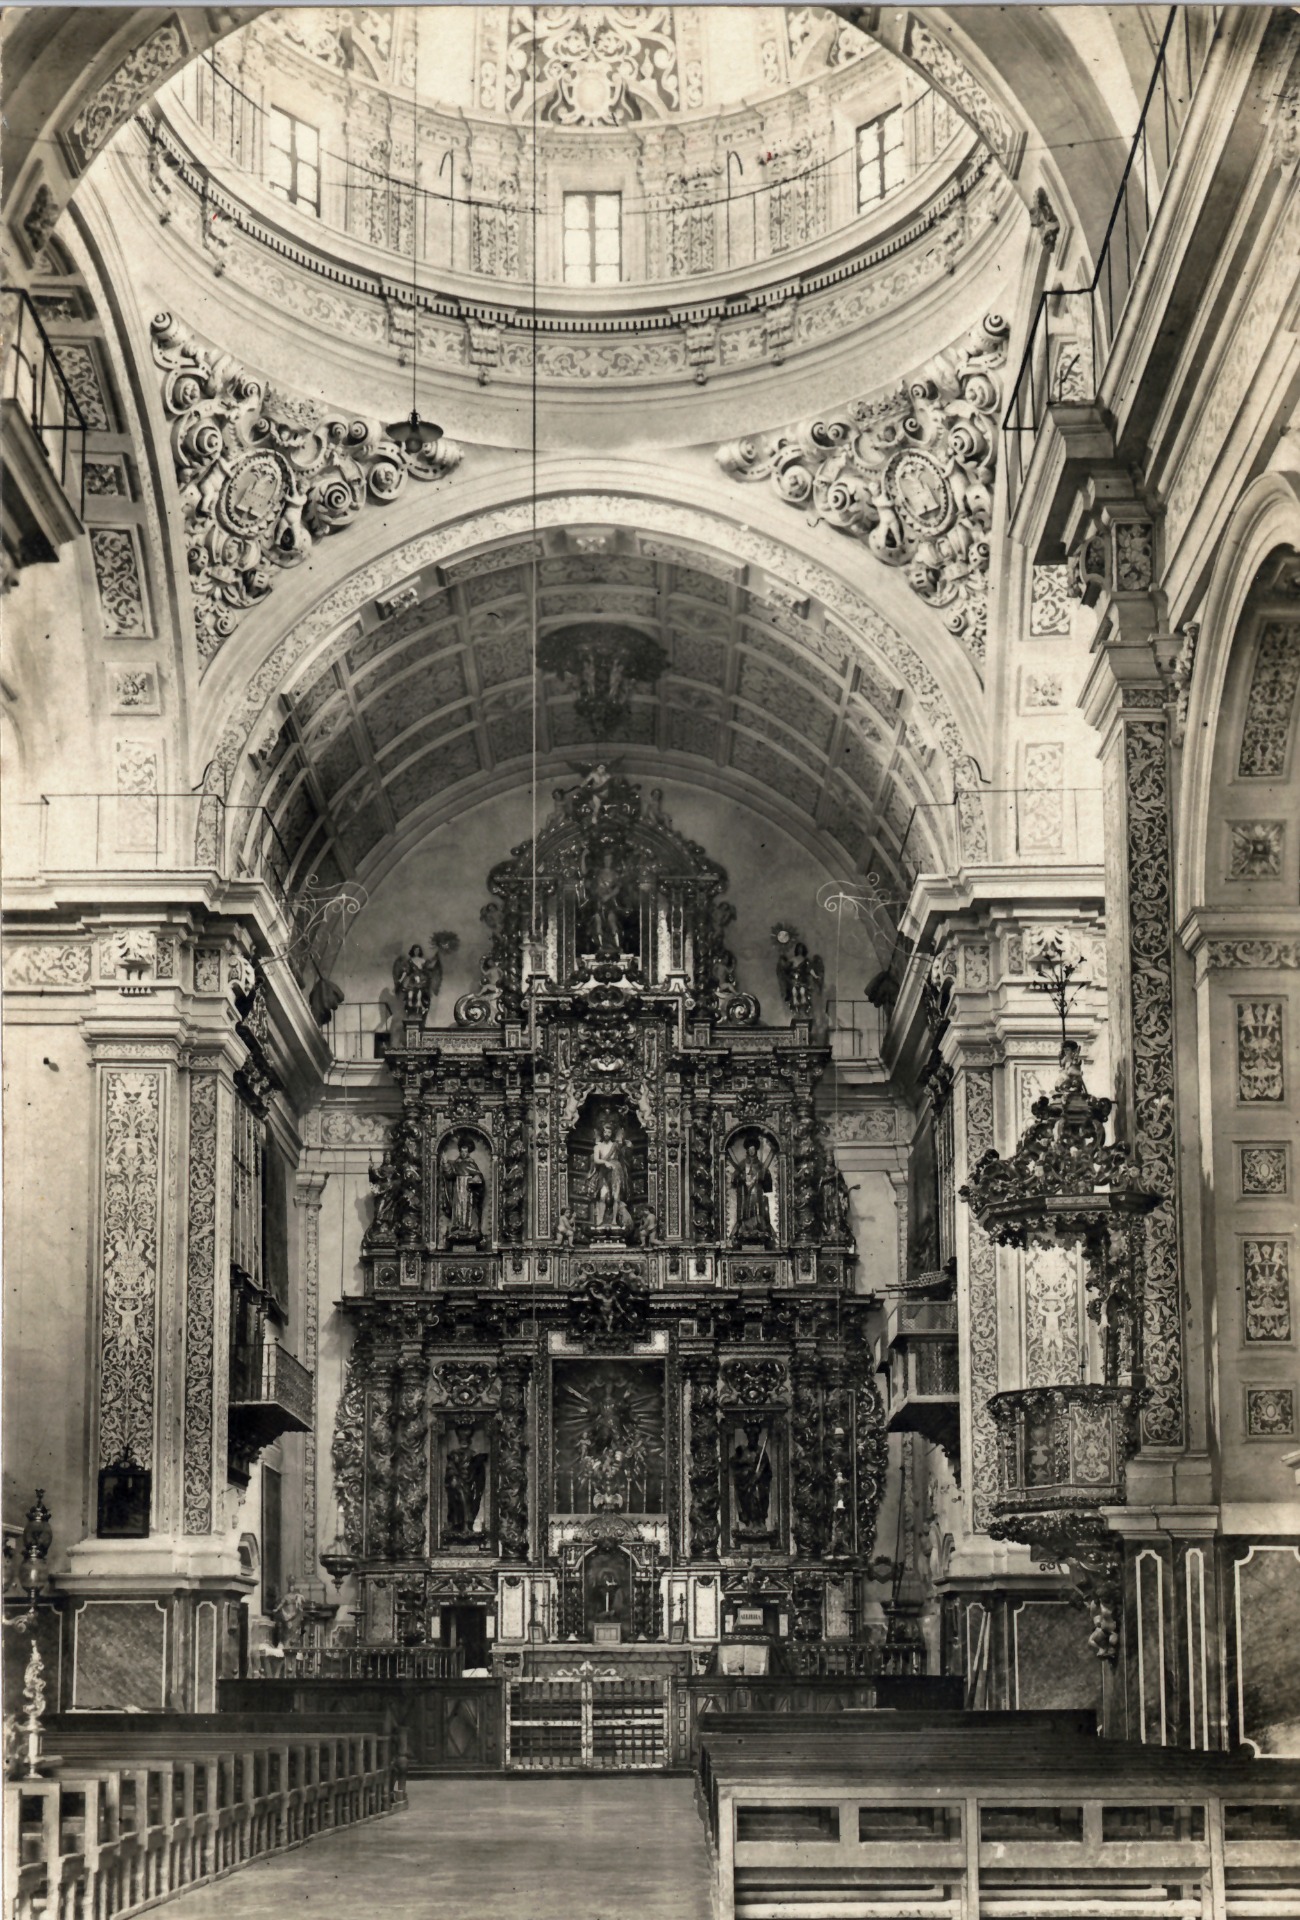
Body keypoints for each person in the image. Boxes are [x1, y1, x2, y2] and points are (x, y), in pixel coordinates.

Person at [589, 1117, 632, 1230]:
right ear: (602, 1133)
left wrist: (628, 1146)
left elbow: (624, 1157)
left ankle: (614, 1221)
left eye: (609, 1132)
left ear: (612, 1133)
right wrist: (605, 1162)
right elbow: (596, 1160)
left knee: (616, 1197)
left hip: (616, 1172)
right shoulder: (598, 1146)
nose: (607, 1134)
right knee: (602, 1196)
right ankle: (600, 1220)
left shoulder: (616, 1146)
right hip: (604, 1172)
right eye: (605, 1132)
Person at [441, 1133, 486, 1241]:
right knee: (458, 1207)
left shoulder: (471, 1163)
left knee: (469, 1207)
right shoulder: (456, 1163)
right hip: (458, 1188)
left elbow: (479, 1176)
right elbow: (449, 1175)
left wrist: (476, 1179)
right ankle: (458, 1227)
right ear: (460, 1151)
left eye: (466, 1152)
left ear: (468, 1152)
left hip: (469, 1189)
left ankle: (470, 1228)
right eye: (462, 1151)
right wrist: (445, 1163)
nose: (464, 1154)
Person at [732, 1133, 774, 1241]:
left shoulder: (760, 1165)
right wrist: (740, 1178)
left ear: (756, 1150)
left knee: (757, 1209)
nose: (751, 1151)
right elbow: (734, 1179)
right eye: (750, 1149)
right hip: (745, 1193)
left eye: (753, 1149)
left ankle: (758, 1228)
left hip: (757, 1191)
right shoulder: (742, 1164)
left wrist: (762, 1176)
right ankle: (744, 1229)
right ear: (747, 1150)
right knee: (746, 1211)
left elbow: (767, 1182)